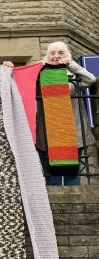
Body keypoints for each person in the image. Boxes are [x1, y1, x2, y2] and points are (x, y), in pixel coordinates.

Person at [37, 41, 96, 186]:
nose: (56, 56)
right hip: (48, 133)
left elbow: (91, 79)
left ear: (67, 55)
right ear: (47, 56)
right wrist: (37, 68)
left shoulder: (72, 75)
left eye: (61, 53)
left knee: (72, 175)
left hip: (72, 131)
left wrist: (71, 64)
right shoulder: (40, 75)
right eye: (52, 53)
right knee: (52, 176)